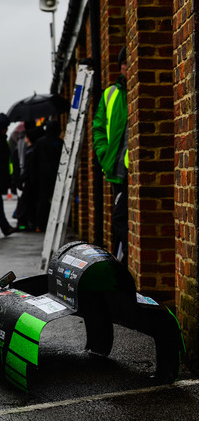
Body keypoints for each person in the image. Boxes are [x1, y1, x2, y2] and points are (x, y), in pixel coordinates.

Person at [93, 48, 129, 263]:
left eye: (129, 62)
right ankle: (120, 266)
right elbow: (98, 128)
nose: (126, 67)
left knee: (121, 219)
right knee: (119, 220)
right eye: (123, 63)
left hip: (134, 170)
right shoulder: (110, 94)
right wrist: (104, 155)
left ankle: (122, 266)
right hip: (117, 170)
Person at [28, 120, 64, 232]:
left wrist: (32, 176)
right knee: (57, 200)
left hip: (42, 176)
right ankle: (56, 223)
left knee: (42, 200)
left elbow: (33, 161)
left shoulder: (40, 142)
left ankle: (40, 224)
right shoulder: (60, 142)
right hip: (57, 176)